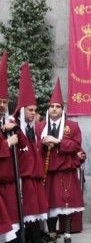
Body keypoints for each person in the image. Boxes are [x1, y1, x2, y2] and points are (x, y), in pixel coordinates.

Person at [4, 63, 49, 243]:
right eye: (30, 110)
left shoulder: (34, 129)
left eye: (35, 110)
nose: (33, 113)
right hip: (21, 182)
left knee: (34, 221)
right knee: (24, 222)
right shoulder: (14, 128)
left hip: (34, 182)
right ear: (22, 110)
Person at [36, 78, 84, 243]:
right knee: (49, 204)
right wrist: (43, 143)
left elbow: (77, 145)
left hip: (66, 170)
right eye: (51, 107)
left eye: (57, 107)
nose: (54, 109)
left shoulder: (73, 125)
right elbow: (35, 147)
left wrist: (58, 142)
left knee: (67, 203)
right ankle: (50, 233)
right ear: (48, 109)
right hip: (47, 171)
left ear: (62, 110)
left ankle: (68, 233)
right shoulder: (40, 126)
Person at [0, 52, 19, 243]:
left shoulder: (6, 122)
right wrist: (7, 143)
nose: (2, 105)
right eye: (0, 101)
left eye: (5, 102)